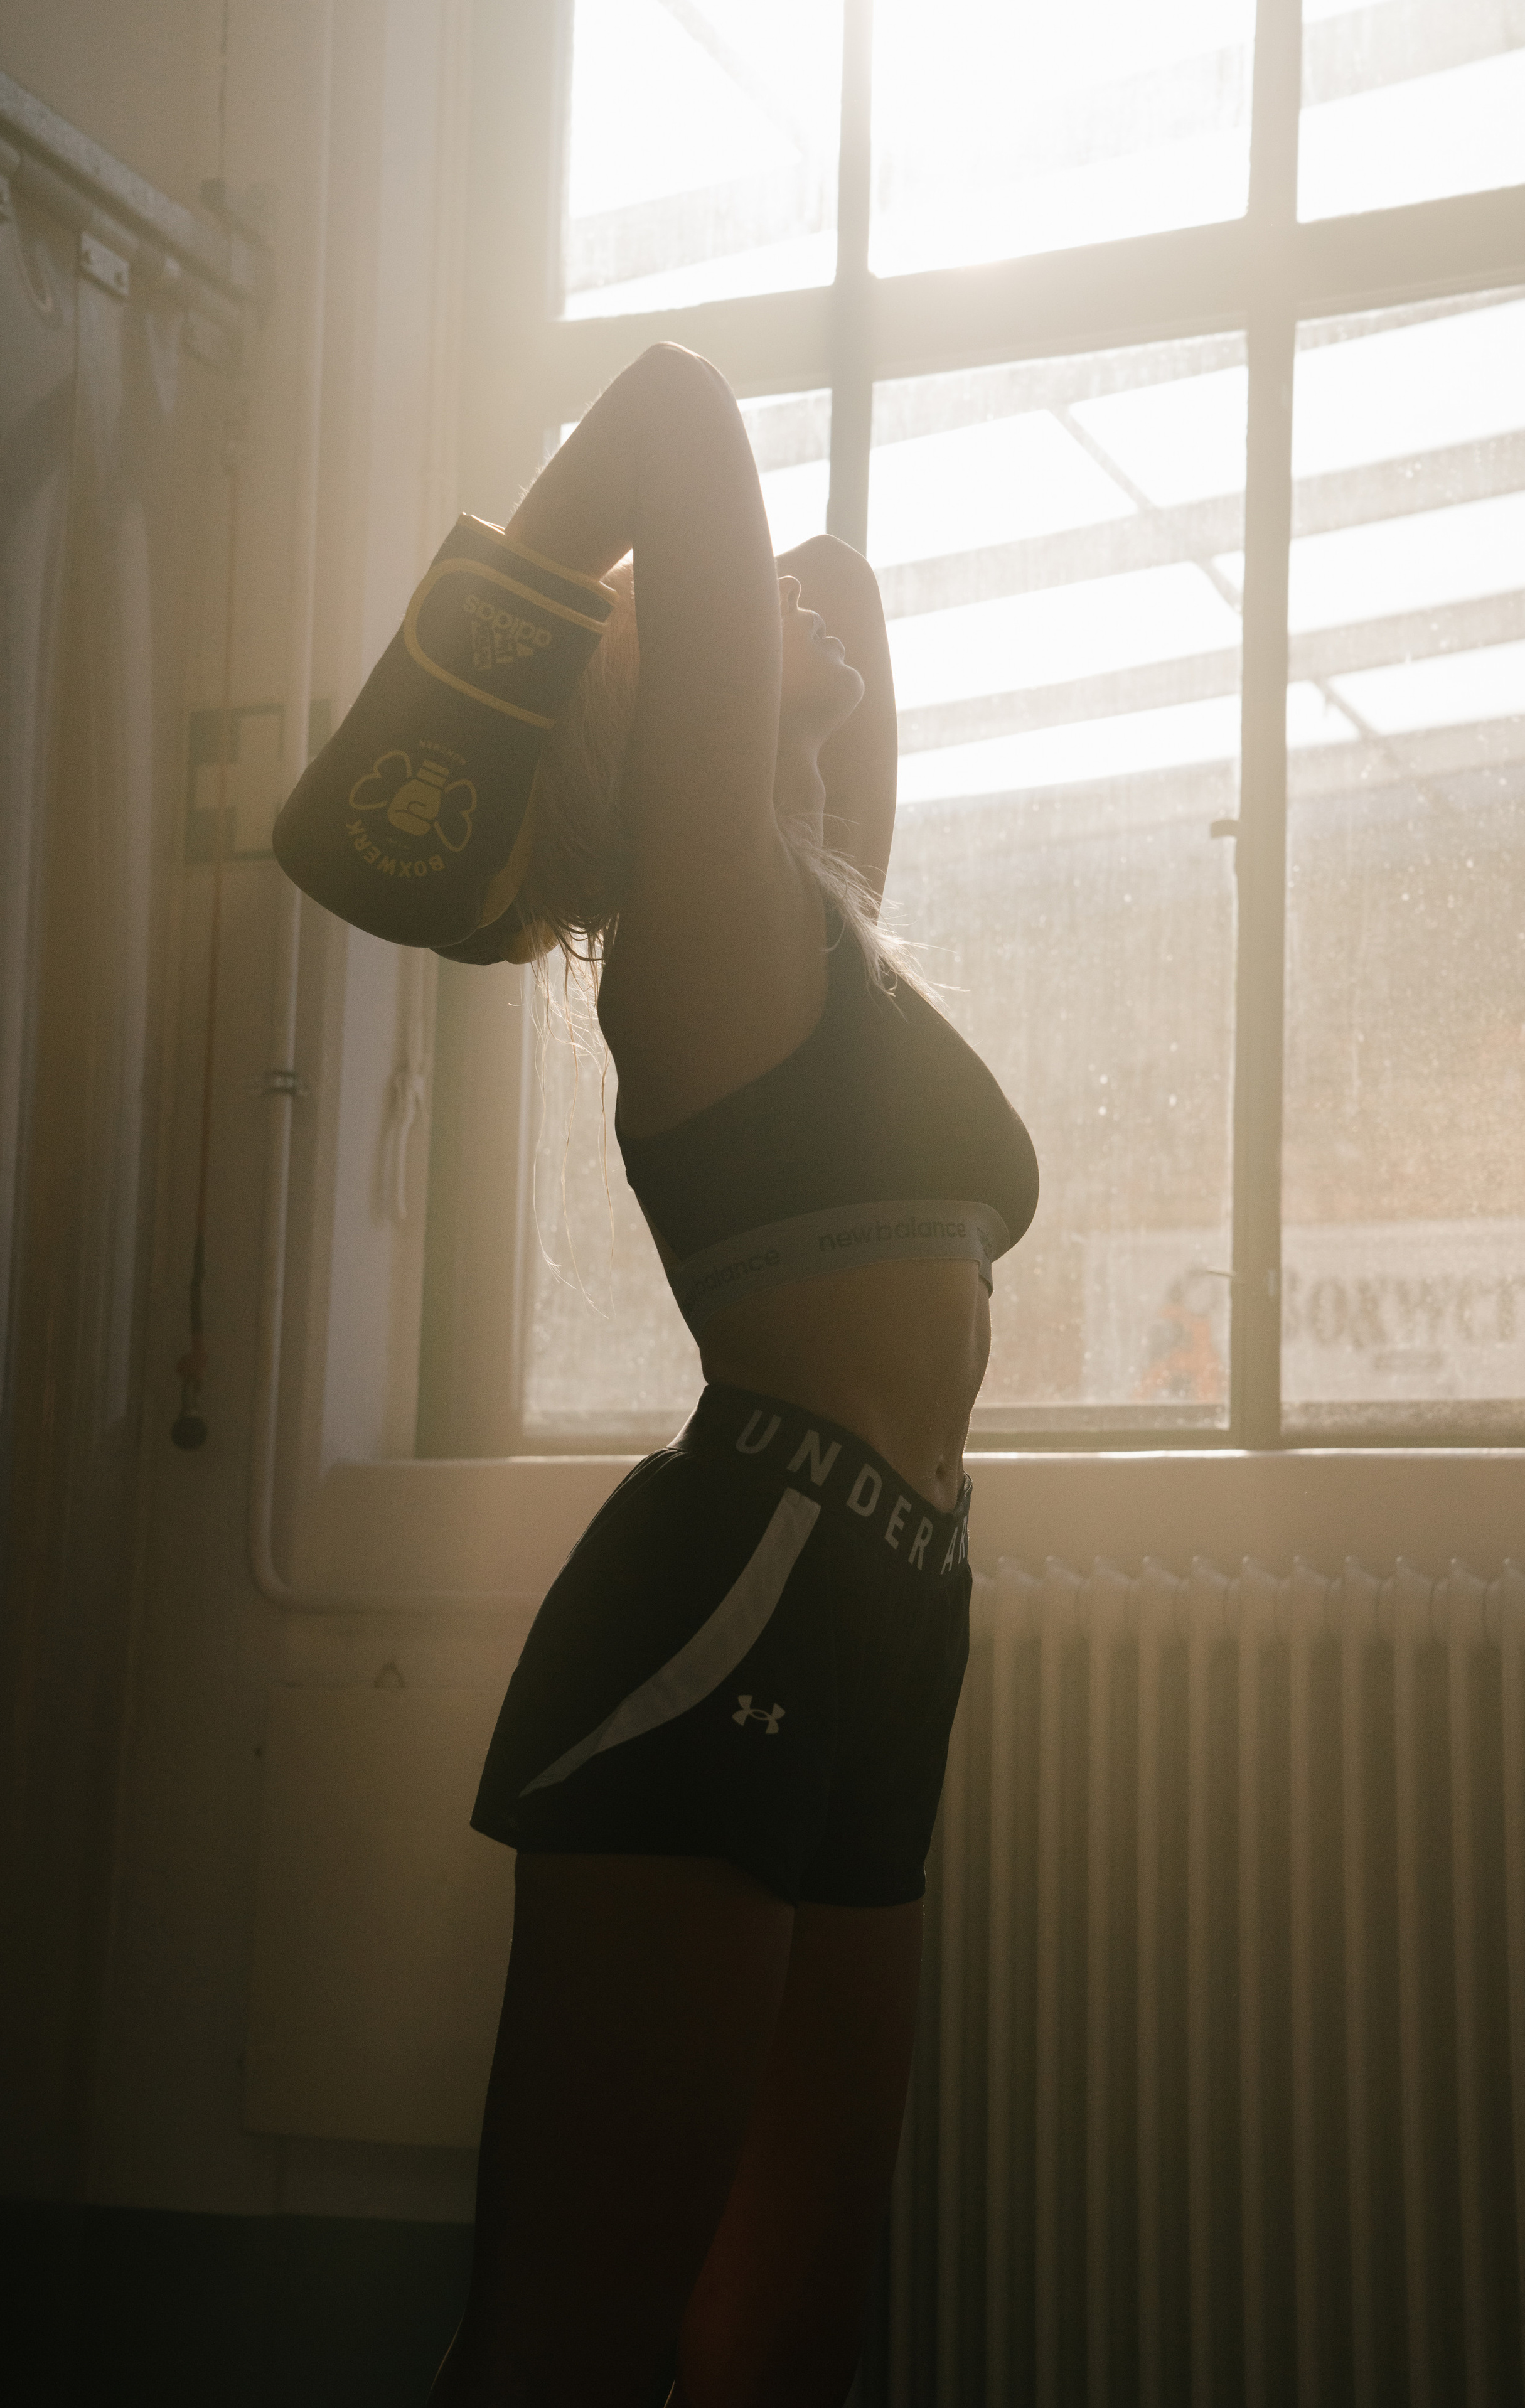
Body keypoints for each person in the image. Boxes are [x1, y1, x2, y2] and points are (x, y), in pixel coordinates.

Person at [424, 343, 1038, 2406]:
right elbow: (680, 418)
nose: (795, 601)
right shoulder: (699, 917)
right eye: (733, 617)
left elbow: (841, 586)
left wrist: (793, 644)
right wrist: (475, 664)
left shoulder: (825, 915)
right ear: (662, 710)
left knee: (784, 2353)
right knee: (575, 2354)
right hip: (740, 1594)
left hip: (891, 1613)